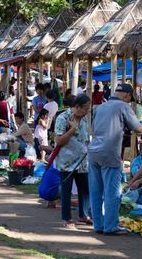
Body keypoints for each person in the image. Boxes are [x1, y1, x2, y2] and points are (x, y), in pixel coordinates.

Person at [88, 83, 142, 235]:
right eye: (130, 99)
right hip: (110, 152)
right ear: (127, 96)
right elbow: (137, 128)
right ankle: (111, 226)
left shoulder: (99, 107)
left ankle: (98, 225)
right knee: (112, 192)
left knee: (96, 191)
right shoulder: (123, 107)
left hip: (93, 151)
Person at [54, 94, 92, 229]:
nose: (87, 111)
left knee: (85, 189)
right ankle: (67, 218)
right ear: (77, 107)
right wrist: (72, 129)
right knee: (67, 190)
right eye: (85, 109)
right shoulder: (63, 118)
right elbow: (59, 140)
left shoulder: (84, 119)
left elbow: (85, 137)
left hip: (82, 160)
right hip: (66, 161)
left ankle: (84, 214)